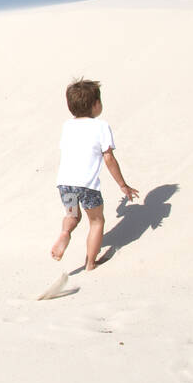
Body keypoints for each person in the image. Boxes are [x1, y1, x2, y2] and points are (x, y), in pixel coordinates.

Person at [51, 78, 139, 270]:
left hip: (66, 184)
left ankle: (65, 233)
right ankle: (90, 263)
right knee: (97, 221)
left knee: (73, 215)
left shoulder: (67, 126)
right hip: (87, 186)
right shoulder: (101, 126)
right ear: (95, 104)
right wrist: (123, 185)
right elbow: (108, 158)